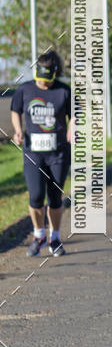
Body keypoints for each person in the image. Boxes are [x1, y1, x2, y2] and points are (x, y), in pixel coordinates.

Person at [10, 50, 72, 256]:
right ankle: (39, 235)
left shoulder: (64, 91)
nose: (44, 84)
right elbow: (15, 110)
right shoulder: (24, 90)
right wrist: (18, 131)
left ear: (55, 73)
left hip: (58, 153)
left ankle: (55, 238)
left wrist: (73, 129)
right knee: (36, 196)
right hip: (33, 153)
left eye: (48, 80)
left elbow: (75, 115)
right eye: (41, 79)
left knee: (55, 198)